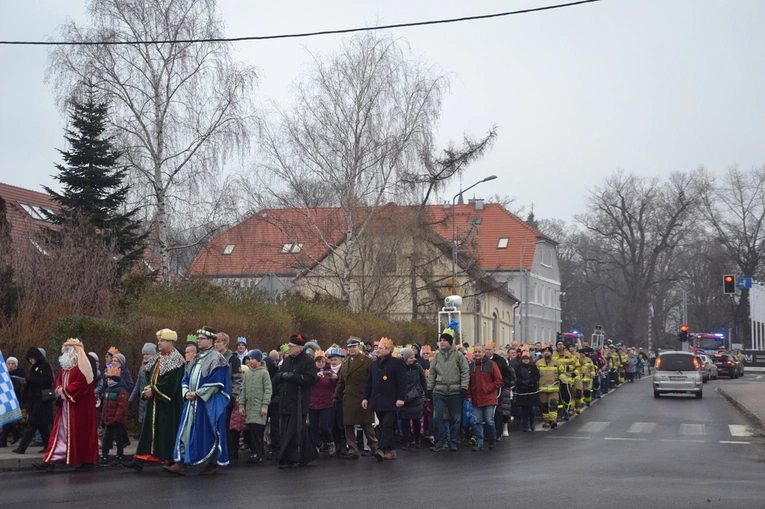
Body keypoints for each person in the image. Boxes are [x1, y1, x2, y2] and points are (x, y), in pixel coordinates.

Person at [166, 327, 231, 475]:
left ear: (210, 340)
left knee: (210, 431)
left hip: (207, 404)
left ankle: (212, 463)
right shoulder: (196, 357)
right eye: (198, 338)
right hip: (192, 403)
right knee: (186, 432)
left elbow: (217, 383)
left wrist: (198, 394)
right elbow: (186, 378)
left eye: (201, 338)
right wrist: (186, 392)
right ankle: (181, 463)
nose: (198, 341)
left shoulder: (217, 359)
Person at [123, 329, 186, 472]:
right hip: (154, 403)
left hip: (168, 405)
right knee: (148, 431)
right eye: (159, 340)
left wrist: (155, 390)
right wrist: (147, 390)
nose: (159, 343)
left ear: (170, 342)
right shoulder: (156, 358)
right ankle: (139, 459)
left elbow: (172, 382)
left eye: (162, 340)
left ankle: (170, 459)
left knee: (166, 431)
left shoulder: (177, 360)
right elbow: (146, 375)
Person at [32, 339, 99, 472]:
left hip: (78, 408)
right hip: (66, 408)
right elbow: (59, 381)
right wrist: (57, 389)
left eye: (68, 350)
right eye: (65, 350)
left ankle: (84, 461)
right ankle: (50, 461)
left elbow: (81, 386)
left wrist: (63, 391)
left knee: (79, 434)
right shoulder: (65, 368)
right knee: (60, 433)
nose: (65, 353)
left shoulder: (83, 368)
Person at [276, 334, 319, 469]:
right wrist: (282, 376)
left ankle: (290, 458)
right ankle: (306, 455)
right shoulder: (287, 361)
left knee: (294, 430)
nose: (288, 349)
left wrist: (293, 377)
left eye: (291, 347)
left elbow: (311, 379)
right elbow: (278, 376)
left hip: (299, 401)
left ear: (299, 348)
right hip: (285, 399)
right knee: (288, 429)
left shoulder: (308, 361)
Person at [426, 320, 470, 452]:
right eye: (441, 340)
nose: (442, 342)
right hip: (439, 391)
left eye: (444, 340)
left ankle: (453, 441)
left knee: (455, 418)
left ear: (450, 342)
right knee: (437, 417)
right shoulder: (437, 357)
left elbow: (465, 371)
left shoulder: (458, 356)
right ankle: (440, 441)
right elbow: (432, 373)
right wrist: (429, 388)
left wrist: (464, 387)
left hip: (454, 391)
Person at [334, 337, 378, 459]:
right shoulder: (345, 362)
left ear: (359, 347)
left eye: (354, 346)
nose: (351, 349)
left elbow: (373, 380)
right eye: (349, 347)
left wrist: (371, 395)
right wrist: (336, 395)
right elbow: (341, 382)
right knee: (348, 424)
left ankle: (374, 446)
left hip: (363, 396)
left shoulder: (368, 361)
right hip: (349, 397)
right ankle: (353, 450)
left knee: (366, 423)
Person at [362, 338, 406, 461]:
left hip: (392, 400)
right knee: (383, 426)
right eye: (377, 348)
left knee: (387, 425)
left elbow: (402, 382)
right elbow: (369, 383)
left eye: (380, 348)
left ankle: (380, 449)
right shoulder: (373, 365)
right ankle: (391, 450)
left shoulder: (396, 363)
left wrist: (401, 398)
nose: (377, 350)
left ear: (388, 350)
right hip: (378, 400)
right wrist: (365, 397)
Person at [12, 347, 54, 455]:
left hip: (42, 400)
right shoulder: (32, 367)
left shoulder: (45, 366)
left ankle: (22, 447)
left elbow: (47, 380)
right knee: (42, 426)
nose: (31, 360)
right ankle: (48, 446)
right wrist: (26, 383)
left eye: (32, 358)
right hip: (35, 400)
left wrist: (30, 381)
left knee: (32, 425)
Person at [213, 332, 243, 461]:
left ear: (225, 343)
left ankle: (230, 453)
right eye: (215, 342)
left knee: (228, 428)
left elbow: (237, 379)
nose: (216, 344)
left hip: (227, 397)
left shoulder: (233, 359)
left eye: (219, 342)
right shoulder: (213, 357)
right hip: (215, 397)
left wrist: (233, 396)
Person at [467, 344, 503, 451]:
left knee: (489, 421)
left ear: (484, 353)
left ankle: (492, 438)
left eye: (479, 352)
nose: (477, 354)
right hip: (476, 398)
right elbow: (468, 383)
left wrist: (487, 389)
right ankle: (479, 442)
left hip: (488, 398)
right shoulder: (471, 366)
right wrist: (469, 395)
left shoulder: (492, 364)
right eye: (475, 352)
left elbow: (498, 380)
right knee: (476, 421)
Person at [239, 349, 272, 464]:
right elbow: (243, 390)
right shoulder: (248, 373)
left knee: (258, 431)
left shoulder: (264, 372)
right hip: (250, 406)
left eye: (252, 358)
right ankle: (255, 452)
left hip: (259, 406)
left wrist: (265, 405)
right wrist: (241, 405)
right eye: (249, 358)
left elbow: (268, 390)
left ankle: (259, 453)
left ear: (258, 359)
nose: (250, 361)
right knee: (251, 430)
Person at [99, 365, 129, 466]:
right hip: (108, 420)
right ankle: (104, 454)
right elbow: (105, 407)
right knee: (106, 438)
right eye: (108, 379)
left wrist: (117, 419)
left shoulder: (121, 391)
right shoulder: (107, 390)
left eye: (111, 379)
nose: (108, 381)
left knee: (118, 438)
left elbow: (122, 407)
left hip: (117, 421)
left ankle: (119, 454)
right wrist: (103, 418)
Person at [309, 354, 337, 456]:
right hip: (312, 403)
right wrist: (315, 377)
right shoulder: (311, 372)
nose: (320, 364)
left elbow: (336, 385)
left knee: (324, 425)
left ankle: (330, 442)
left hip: (325, 403)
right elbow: (307, 383)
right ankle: (316, 445)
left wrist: (334, 378)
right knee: (313, 427)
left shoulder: (329, 372)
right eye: (318, 361)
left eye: (322, 362)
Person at [398, 348, 426, 450]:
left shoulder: (418, 367)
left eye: (413, 357)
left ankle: (417, 438)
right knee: (404, 421)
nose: (412, 359)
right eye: (410, 357)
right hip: (404, 396)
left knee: (416, 420)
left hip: (416, 396)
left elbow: (423, 380)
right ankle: (406, 441)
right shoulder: (400, 368)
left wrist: (426, 393)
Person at [128, 343, 157, 440]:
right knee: (141, 420)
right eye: (144, 354)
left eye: (147, 354)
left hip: (151, 399)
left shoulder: (156, 368)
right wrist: (131, 399)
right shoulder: (142, 368)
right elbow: (137, 385)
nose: (145, 356)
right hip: (142, 400)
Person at [536, 347, 563, 429]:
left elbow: (562, 372)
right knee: (544, 406)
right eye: (545, 351)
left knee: (553, 405)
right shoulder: (538, 363)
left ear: (551, 353)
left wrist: (560, 379)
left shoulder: (557, 363)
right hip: (542, 389)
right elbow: (535, 374)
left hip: (554, 389)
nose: (546, 353)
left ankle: (553, 420)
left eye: (548, 351)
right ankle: (546, 421)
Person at [1, 356, 24, 447]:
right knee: (6, 419)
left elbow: (16, 388)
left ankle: (3, 441)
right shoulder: (4, 375)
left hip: (12, 400)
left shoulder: (17, 375)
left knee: (6, 418)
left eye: (12, 364)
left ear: (16, 365)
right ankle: (17, 433)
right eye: (8, 364)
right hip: (4, 400)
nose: (10, 366)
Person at [513, 352, 540, 431]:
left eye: (527, 359)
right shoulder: (518, 367)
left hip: (531, 390)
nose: (525, 361)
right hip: (522, 390)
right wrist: (522, 382)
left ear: (529, 360)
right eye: (524, 359)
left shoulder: (533, 367)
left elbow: (537, 376)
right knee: (524, 408)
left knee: (531, 408)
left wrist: (530, 381)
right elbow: (516, 377)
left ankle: (532, 422)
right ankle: (525, 424)